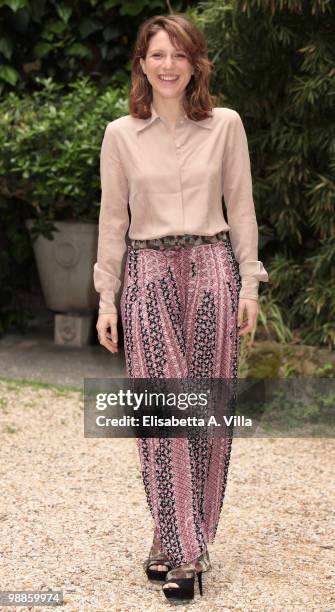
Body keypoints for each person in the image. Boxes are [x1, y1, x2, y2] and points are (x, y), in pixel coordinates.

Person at [94, 13, 269, 604]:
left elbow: (241, 208)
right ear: (141, 63)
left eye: (179, 54)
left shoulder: (226, 125)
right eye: (156, 54)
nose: (167, 65)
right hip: (146, 276)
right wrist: (104, 296)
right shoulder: (120, 134)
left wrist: (249, 281)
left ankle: (173, 537)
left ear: (195, 62)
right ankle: (187, 551)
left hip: (212, 272)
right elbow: (112, 220)